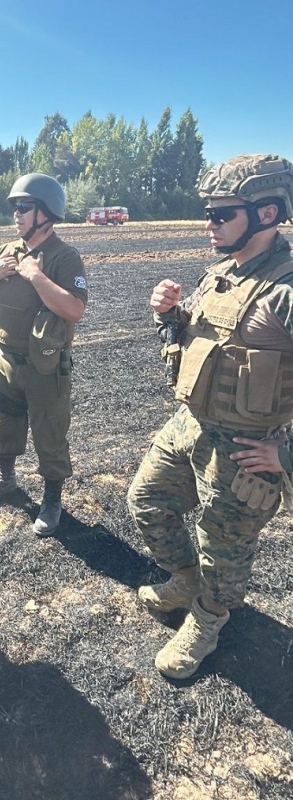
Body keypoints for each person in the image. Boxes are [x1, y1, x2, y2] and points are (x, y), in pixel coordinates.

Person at [127, 154, 293, 679]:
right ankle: (185, 579)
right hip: (192, 424)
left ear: (266, 214)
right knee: (146, 501)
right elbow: (201, 344)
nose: (209, 224)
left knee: (223, 547)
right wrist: (169, 317)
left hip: (246, 446)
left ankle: (208, 617)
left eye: (222, 215)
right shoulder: (221, 272)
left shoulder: (287, 291)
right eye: (209, 213)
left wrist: (284, 452)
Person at [0, 173, 87, 536]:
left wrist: (35, 276)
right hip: (6, 361)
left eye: (24, 207)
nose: (16, 215)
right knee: (4, 424)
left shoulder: (64, 258)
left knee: (49, 435)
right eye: (14, 208)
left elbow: (74, 309)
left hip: (45, 365)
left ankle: (51, 500)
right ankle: (6, 480)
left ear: (47, 213)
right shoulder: (4, 252)